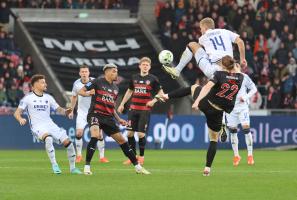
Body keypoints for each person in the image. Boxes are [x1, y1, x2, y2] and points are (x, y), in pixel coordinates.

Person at [78, 63, 150, 175]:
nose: (116, 73)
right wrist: (88, 93)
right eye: (114, 71)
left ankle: (137, 166)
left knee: (122, 140)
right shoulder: (97, 82)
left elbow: (112, 108)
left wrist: (119, 119)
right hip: (95, 114)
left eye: (116, 71)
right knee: (95, 135)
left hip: (108, 117)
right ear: (107, 71)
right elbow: (80, 91)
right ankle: (87, 167)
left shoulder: (115, 88)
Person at [14, 74, 82, 175]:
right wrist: (20, 119)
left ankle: (73, 169)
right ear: (35, 84)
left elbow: (59, 109)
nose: (45, 84)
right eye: (43, 82)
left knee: (69, 144)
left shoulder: (48, 97)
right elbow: (16, 113)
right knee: (48, 138)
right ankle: (55, 165)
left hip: (50, 125)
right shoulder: (27, 98)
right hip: (37, 127)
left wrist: (66, 111)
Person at [191, 56, 244, 176]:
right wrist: (234, 64)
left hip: (210, 103)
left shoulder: (219, 74)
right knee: (214, 140)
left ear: (222, 65)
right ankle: (207, 168)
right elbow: (237, 69)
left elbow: (207, 87)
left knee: (194, 87)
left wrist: (197, 101)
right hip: (221, 109)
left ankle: (167, 95)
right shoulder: (241, 77)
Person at [162, 17, 246, 79]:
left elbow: (196, 50)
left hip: (214, 69)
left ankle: (177, 70)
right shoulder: (225, 31)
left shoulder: (203, 37)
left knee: (192, 45)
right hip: (230, 68)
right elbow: (240, 42)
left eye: (201, 29)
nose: (200, 31)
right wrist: (242, 59)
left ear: (205, 28)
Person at [118, 57, 163, 165]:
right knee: (129, 134)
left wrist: (154, 101)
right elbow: (129, 91)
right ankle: (133, 157)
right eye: (143, 64)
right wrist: (122, 104)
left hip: (144, 110)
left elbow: (161, 93)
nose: (145, 66)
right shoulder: (134, 78)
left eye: (147, 65)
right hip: (133, 109)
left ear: (150, 67)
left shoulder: (153, 79)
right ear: (140, 66)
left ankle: (141, 157)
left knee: (141, 134)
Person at [69, 65, 109, 163]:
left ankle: (102, 157)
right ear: (79, 73)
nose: (84, 73)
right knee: (78, 133)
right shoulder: (76, 84)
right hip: (82, 112)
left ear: (89, 73)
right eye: (82, 72)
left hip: (94, 111)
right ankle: (79, 155)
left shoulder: (95, 81)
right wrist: (71, 110)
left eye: (86, 71)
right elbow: (74, 97)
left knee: (99, 134)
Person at [225, 68, 257, 166]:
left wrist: (246, 97)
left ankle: (250, 155)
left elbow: (254, 88)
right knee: (233, 131)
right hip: (230, 108)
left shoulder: (244, 77)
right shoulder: (225, 77)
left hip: (242, 108)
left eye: (236, 66)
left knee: (246, 129)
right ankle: (236, 156)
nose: (234, 68)